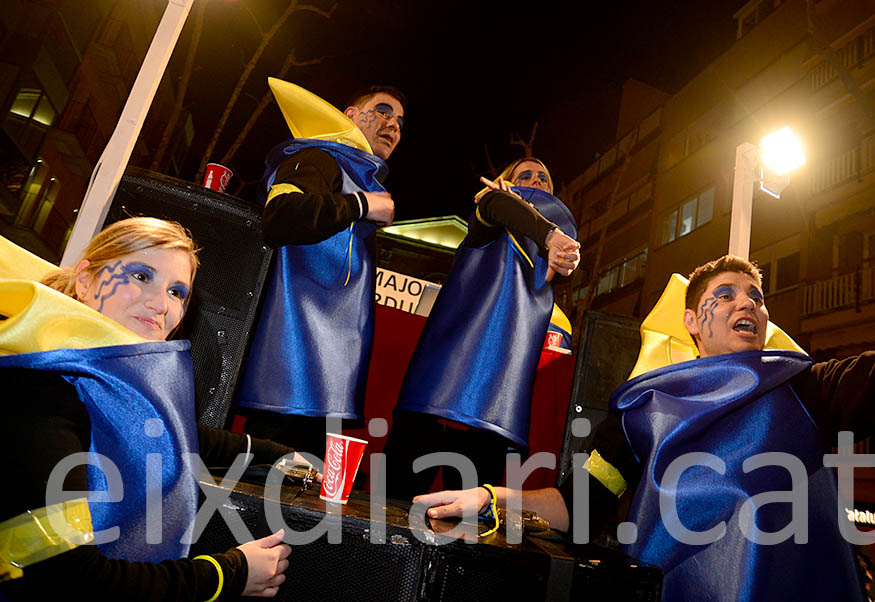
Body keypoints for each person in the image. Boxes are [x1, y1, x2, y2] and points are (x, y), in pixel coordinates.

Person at [415, 254, 875, 602]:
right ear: (692, 319)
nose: (746, 304)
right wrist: (492, 498)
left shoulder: (808, 390)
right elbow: (578, 508)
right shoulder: (644, 411)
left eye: (756, 296)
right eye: (725, 295)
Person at [0, 218, 292, 600]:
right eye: (140, 275)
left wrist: (287, 458)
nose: (161, 304)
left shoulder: (99, 382)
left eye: (177, 291)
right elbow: (66, 578)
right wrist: (228, 573)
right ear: (86, 279)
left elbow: (188, 438)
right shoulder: (35, 384)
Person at [384, 157, 580, 501]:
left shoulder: (550, 256)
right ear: (503, 184)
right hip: (436, 394)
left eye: (544, 178)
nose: (536, 181)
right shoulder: (488, 221)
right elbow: (497, 205)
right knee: (391, 506)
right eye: (525, 175)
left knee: (466, 528)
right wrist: (548, 233)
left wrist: (560, 250)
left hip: (496, 405)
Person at [235, 80, 406, 457]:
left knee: (300, 501)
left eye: (400, 122)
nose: (393, 125)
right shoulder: (318, 157)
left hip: (324, 382)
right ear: (349, 116)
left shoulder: (358, 177)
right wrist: (361, 205)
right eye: (382, 111)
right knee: (258, 490)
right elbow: (280, 217)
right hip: (286, 377)